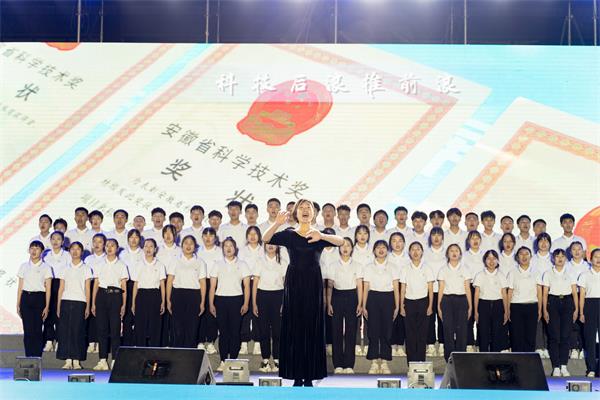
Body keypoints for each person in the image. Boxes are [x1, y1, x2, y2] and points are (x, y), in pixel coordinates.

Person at [263, 200, 344, 387]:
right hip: (294, 284)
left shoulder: (318, 234)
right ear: (296, 213)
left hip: (313, 283)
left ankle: (309, 376)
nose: (305, 210)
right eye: (301, 208)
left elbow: (341, 241)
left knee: (312, 328)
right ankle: (296, 376)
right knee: (295, 328)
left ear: (314, 213)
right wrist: (277, 223)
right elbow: (266, 239)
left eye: (309, 208)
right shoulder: (289, 234)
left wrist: (321, 235)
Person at [209, 237, 251, 372]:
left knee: (235, 332)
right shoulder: (217, 264)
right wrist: (211, 303)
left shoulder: (243, 264)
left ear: (235, 249)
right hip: (220, 300)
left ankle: (233, 360)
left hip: (237, 300)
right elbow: (212, 286)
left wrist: (246, 303)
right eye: (226, 246)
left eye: (231, 246)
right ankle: (222, 361)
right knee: (223, 332)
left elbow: (247, 286)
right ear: (222, 249)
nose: (228, 248)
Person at [362, 240, 399, 374]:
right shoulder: (368, 267)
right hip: (373, 298)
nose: (381, 250)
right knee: (373, 330)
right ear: (374, 251)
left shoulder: (393, 267)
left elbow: (396, 287)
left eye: (383, 247)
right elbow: (366, 287)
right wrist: (364, 305)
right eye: (378, 247)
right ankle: (373, 361)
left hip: (388, 298)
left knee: (387, 330)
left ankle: (384, 361)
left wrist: (397, 306)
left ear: (387, 250)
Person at [326, 237, 362, 374]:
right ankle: (338, 365)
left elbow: (359, 286)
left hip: (352, 296)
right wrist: (329, 303)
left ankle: (349, 365)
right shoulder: (333, 265)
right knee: (336, 330)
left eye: (348, 245)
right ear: (338, 248)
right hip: (337, 296)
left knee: (351, 331)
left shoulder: (357, 265)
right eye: (342, 245)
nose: (345, 248)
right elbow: (329, 286)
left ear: (352, 248)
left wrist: (360, 303)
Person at [91, 238, 128, 370]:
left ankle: (114, 360)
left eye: (112, 245)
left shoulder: (122, 265)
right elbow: (96, 284)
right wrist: (93, 303)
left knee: (115, 329)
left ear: (117, 248)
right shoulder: (99, 264)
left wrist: (124, 304)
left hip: (116, 296)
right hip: (101, 295)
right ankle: (102, 360)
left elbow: (124, 286)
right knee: (101, 329)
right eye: (107, 245)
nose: (109, 248)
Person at [541, 248, 578, 377]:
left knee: (565, 336)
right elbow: (545, 293)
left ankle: (564, 365)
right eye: (557, 256)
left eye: (562, 256)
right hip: (553, 302)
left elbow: (574, 292)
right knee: (554, 336)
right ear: (553, 258)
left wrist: (576, 309)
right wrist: (544, 310)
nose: (560, 258)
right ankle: (556, 366)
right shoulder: (548, 273)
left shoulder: (571, 273)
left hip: (567, 302)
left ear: (566, 258)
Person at [166, 235, 206, 348]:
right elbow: (170, 281)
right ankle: (177, 352)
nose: (188, 246)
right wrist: (168, 300)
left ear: (195, 247)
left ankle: (190, 351)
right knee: (177, 325)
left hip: (194, 296)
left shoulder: (200, 262)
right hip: (178, 295)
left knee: (192, 326)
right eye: (186, 243)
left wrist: (202, 302)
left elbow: (203, 283)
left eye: (191, 243)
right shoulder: (175, 260)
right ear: (181, 246)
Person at [56, 241, 91, 370]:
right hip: (66, 301)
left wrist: (88, 306)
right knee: (65, 331)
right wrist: (58, 305)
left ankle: (76, 360)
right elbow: (61, 288)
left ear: (82, 252)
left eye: (78, 249)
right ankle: (67, 360)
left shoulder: (86, 268)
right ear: (69, 251)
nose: (75, 251)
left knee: (78, 331)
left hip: (80, 302)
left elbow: (88, 289)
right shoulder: (64, 268)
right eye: (72, 249)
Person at [253, 243, 287, 372]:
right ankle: (265, 360)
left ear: (278, 246)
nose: (271, 246)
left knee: (278, 330)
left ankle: (277, 359)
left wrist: (285, 302)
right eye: (268, 244)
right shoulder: (259, 261)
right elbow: (255, 283)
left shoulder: (283, 262)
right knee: (264, 330)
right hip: (262, 296)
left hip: (278, 296)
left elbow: (286, 284)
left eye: (273, 244)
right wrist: (254, 303)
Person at [400, 241, 434, 363]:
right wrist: (401, 306)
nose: (415, 252)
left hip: (423, 302)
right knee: (410, 333)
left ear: (422, 252)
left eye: (418, 249)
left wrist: (430, 306)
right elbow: (403, 288)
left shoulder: (427, 268)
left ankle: (421, 362)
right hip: (409, 303)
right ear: (409, 252)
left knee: (422, 333)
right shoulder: (405, 268)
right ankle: (411, 363)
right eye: (413, 249)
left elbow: (430, 289)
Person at [17, 241, 52, 357]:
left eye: (37, 248)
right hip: (26, 298)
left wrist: (47, 306)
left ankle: (37, 357)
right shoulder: (24, 266)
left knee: (37, 329)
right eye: (32, 248)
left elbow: (48, 289)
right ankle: (28, 357)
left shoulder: (46, 267)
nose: (34, 251)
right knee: (27, 330)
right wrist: (18, 304)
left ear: (42, 251)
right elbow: (20, 287)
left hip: (39, 298)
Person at [437, 244, 472, 361]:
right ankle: (449, 358)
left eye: (456, 251)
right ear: (447, 254)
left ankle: (461, 357)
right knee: (448, 329)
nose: (454, 253)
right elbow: (441, 288)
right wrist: (439, 305)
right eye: (451, 251)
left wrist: (470, 306)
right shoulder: (443, 270)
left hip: (462, 300)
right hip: (447, 300)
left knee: (462, 330)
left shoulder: (465, 269)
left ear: (460, 254)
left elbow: (467, 288)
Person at [131, 238, 166, 347]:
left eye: (151, 246)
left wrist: (163, 301)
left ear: (155, 249)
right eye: (146, 246)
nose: (148, 249)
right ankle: (140, 350)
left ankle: (154, 351)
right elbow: (135, 285)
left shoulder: (160, 265)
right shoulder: (138, 264)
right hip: (141, 295)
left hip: (155, 295)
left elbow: (162, 284)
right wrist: (133, 303)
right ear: (143, 248)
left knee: (155, 325)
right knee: (140, 325)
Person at [507, 246, 542, 352]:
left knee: (530, 336)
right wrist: (507, 309)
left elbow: (539, 292)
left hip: (532, 306)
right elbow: (510, 292)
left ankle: (529, 360)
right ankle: (517, 360)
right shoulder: (512, 272)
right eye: (521, 254)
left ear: (531, 256)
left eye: (527, 254)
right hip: (516, 306)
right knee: (517, 336)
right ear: (517, 257)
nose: (524, 256)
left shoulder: (536, 272)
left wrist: (540, 309)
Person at [41, 231, 71, 352]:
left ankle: (59, 340)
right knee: (48, 312)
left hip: (62, 284)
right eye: (53, 239)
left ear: (63, 241)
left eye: (58, 239)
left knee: (60, 313)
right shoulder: (45, 255)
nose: (55, 241)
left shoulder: (67, 255)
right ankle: (49, 340)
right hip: (48, 284)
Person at [238, 226, 264, 355]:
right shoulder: (242, 251)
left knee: (258, 312)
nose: (252, 236)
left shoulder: (263, 250)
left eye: (255, 234)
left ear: (259, 236)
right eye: (250, 234)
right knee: (245, 312)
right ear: (246, 236)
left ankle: (258, 342)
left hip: (260, 283)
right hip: (245, 283)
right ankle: (244, 342)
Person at [197, 227, 221, 353]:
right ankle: (200, 341)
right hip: (200, 283)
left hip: (215, 283)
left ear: (215, 238)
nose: (208, 238)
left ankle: (211, 341)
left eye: (211, 235)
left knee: (212, 312)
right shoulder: (197, 251)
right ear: (202, 237)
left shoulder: (220, 251)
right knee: (200, 312)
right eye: (205, 235)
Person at [577, 248, 600, 378]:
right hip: (589, 305)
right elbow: (582, 295)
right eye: (596, 257)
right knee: (590, 339)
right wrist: (581, 312)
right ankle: (591, 368)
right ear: (590, 259)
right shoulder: (584, 275)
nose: (598, 259)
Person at [118, 229, 143, 346]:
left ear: (140, 239)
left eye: (136, 237)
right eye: (131, 237)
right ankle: (127, 343)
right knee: (126, 314)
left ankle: (138, 342)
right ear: (128, 239)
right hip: (125, 284)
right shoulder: (122, 254)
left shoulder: (143, 253)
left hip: (139, 284)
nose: (133, 239)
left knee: (138, 312)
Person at [424, 227, 445, 357]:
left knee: (443, 318)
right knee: (429, 317)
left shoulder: (447, 252)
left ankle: (442, 344)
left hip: (444, 290)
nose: (436, 238)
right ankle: (430, 344)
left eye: (439, 235)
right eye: (434, 235)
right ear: (430, 237)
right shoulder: (425, 253)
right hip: (429, 290)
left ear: (442, 237)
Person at [84, 233, 106, 353]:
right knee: (90, 316)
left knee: (101, 316)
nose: (97, 244)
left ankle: (99, 342)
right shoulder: (88, 259)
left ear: (104, 244)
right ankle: (91, 342)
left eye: (100, 242)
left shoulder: (107, 258)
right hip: (89, 285)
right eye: (95, 242)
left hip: (102, 287)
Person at [388, 232, 409, 357]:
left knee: (402, 317)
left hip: (405, 288)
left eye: (400, 240)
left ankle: (400, 345)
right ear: (390, 243)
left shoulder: (408, 258)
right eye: (394, 241)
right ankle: (391, 344)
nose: (397, 243)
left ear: (404, 243)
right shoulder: (387, 257)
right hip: (390, 288)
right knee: (391, 316)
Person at [567, 241, 589, 360]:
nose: (577, 252)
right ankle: (574, 348)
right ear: (570, 252)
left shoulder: (588, 266)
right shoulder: (566, 266)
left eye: (579, 249)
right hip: (571, 296)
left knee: (585, 324)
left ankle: (583, 348)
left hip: (586, 296)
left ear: (583, 251)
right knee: (572, 323)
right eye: (574, 249)